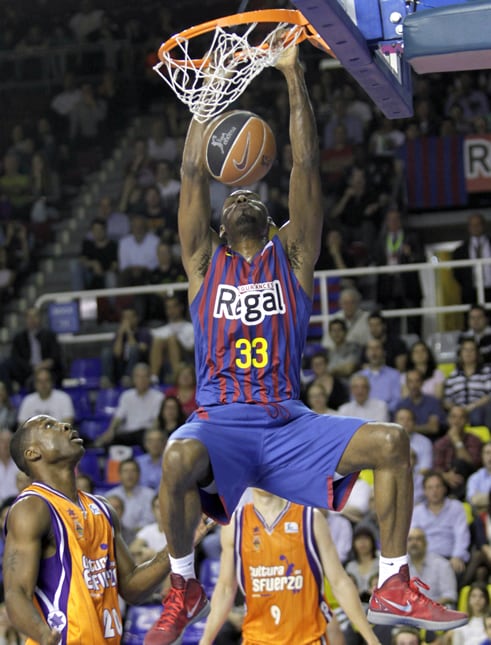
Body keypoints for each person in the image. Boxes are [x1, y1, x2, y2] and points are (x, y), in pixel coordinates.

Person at [144, 45, 467, 645]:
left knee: (394, 444)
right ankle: (184, 582)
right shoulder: (202, 262)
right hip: (223, 422)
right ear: (217, 222)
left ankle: (395, 581)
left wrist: (294, 77)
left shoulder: (293, 257)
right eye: (233, 196)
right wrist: (206, 99)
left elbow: (305, 169)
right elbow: (192, 175)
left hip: (289, 423)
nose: (242, 196)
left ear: (275, 223)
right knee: (176, 458)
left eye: (252, 197)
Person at [3, 415, 213, 644]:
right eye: (49, 426)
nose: (64, 425)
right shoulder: (32, 507)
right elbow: (16, 593)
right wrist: (44, 635)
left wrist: (180, 543)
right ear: (33, 453)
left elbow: (132, 587)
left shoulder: (102, 508)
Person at [199, 488, 380, 645]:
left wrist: (370, 638)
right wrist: (206, 640)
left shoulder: (310, 518)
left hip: (308, 638)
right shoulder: (235, 525)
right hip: (257, 638)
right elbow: (224, 589)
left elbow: (340, 582)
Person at [94, 363, 164, 448]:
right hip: (129, 432)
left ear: (149, 378)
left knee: (147, 437)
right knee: (110, 442)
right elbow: (118, 417)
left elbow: (156, 421)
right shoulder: (126, 395)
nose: (141, 380)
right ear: (134, 379)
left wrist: (151, 436)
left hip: (145, 433)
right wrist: (111, 430)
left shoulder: (158, 397)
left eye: (144, 376)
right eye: (138, 377)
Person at [0, 307, 64, 393]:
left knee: (43, 376)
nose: (32, 320)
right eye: (29, 317)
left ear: (40, 318)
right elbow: (16, 358)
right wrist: (31, 368)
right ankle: (10, 397)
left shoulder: (50, 336)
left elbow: (55, 357)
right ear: (25, 319)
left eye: (35, 316)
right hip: (26, 370)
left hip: (46, 370)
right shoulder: (19, 338)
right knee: (4, 365)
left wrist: (41, 366)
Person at [433, 405, 483, 500]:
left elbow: (473, 463)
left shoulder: (474, 440)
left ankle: (456, 498)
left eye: (461, 417)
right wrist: (446, 476)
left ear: (467, 421)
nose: (457, 421)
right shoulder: (440, 443)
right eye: (453, 417)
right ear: (448, 420)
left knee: (459, 463)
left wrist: (457, 441)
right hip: (447, 483)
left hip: (470, 479)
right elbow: (437, 467)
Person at [407, 527, 458, 608]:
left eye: (418, 539)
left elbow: (450, 595)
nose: (414, 543)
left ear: (425, 543)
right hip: (410, 613)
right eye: (410, 540)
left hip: (437, 612)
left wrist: (428, 608)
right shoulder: (401, 567)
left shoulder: (442, 564)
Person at [394, 369, 446, 438]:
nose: (414, 385)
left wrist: (409, 428)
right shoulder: (401, 405)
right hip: (406, 441)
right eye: (410, 381)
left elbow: (433, 428)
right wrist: (425, 427)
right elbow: (396, 429)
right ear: (406, 384)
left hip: (430, 441)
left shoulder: (433, 402)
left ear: (422, 382)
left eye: (417, 381)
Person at [452, 212, 491, 304]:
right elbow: (457, 274)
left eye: (478, 224)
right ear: (468, 227)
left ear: (484, 225)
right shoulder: (460, 251)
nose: (475, 227)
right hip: (470, 293)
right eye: (472, 225)